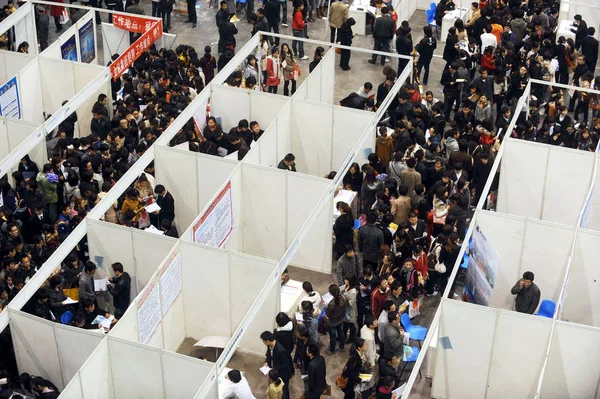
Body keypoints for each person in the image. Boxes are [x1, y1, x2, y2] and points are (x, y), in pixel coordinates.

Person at [260, 331, 294, 399]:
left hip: (283, 374)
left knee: (284, 392)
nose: (263, 343)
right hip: (276, 372)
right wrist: (267, 362)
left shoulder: (280, 350)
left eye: (263, 341)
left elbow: (286, 364)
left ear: (267, 341)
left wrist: (274, 368)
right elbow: (269, 356)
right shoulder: (269, 346)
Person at [326, 284, 346, 354]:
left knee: (333, 337)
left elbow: (328, 314)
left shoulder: (331, 304)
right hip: (341, 319)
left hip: (332, 322)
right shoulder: (343, 298)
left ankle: (332, 350)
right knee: (341, 333)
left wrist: (326, 306)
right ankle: (342, 347)